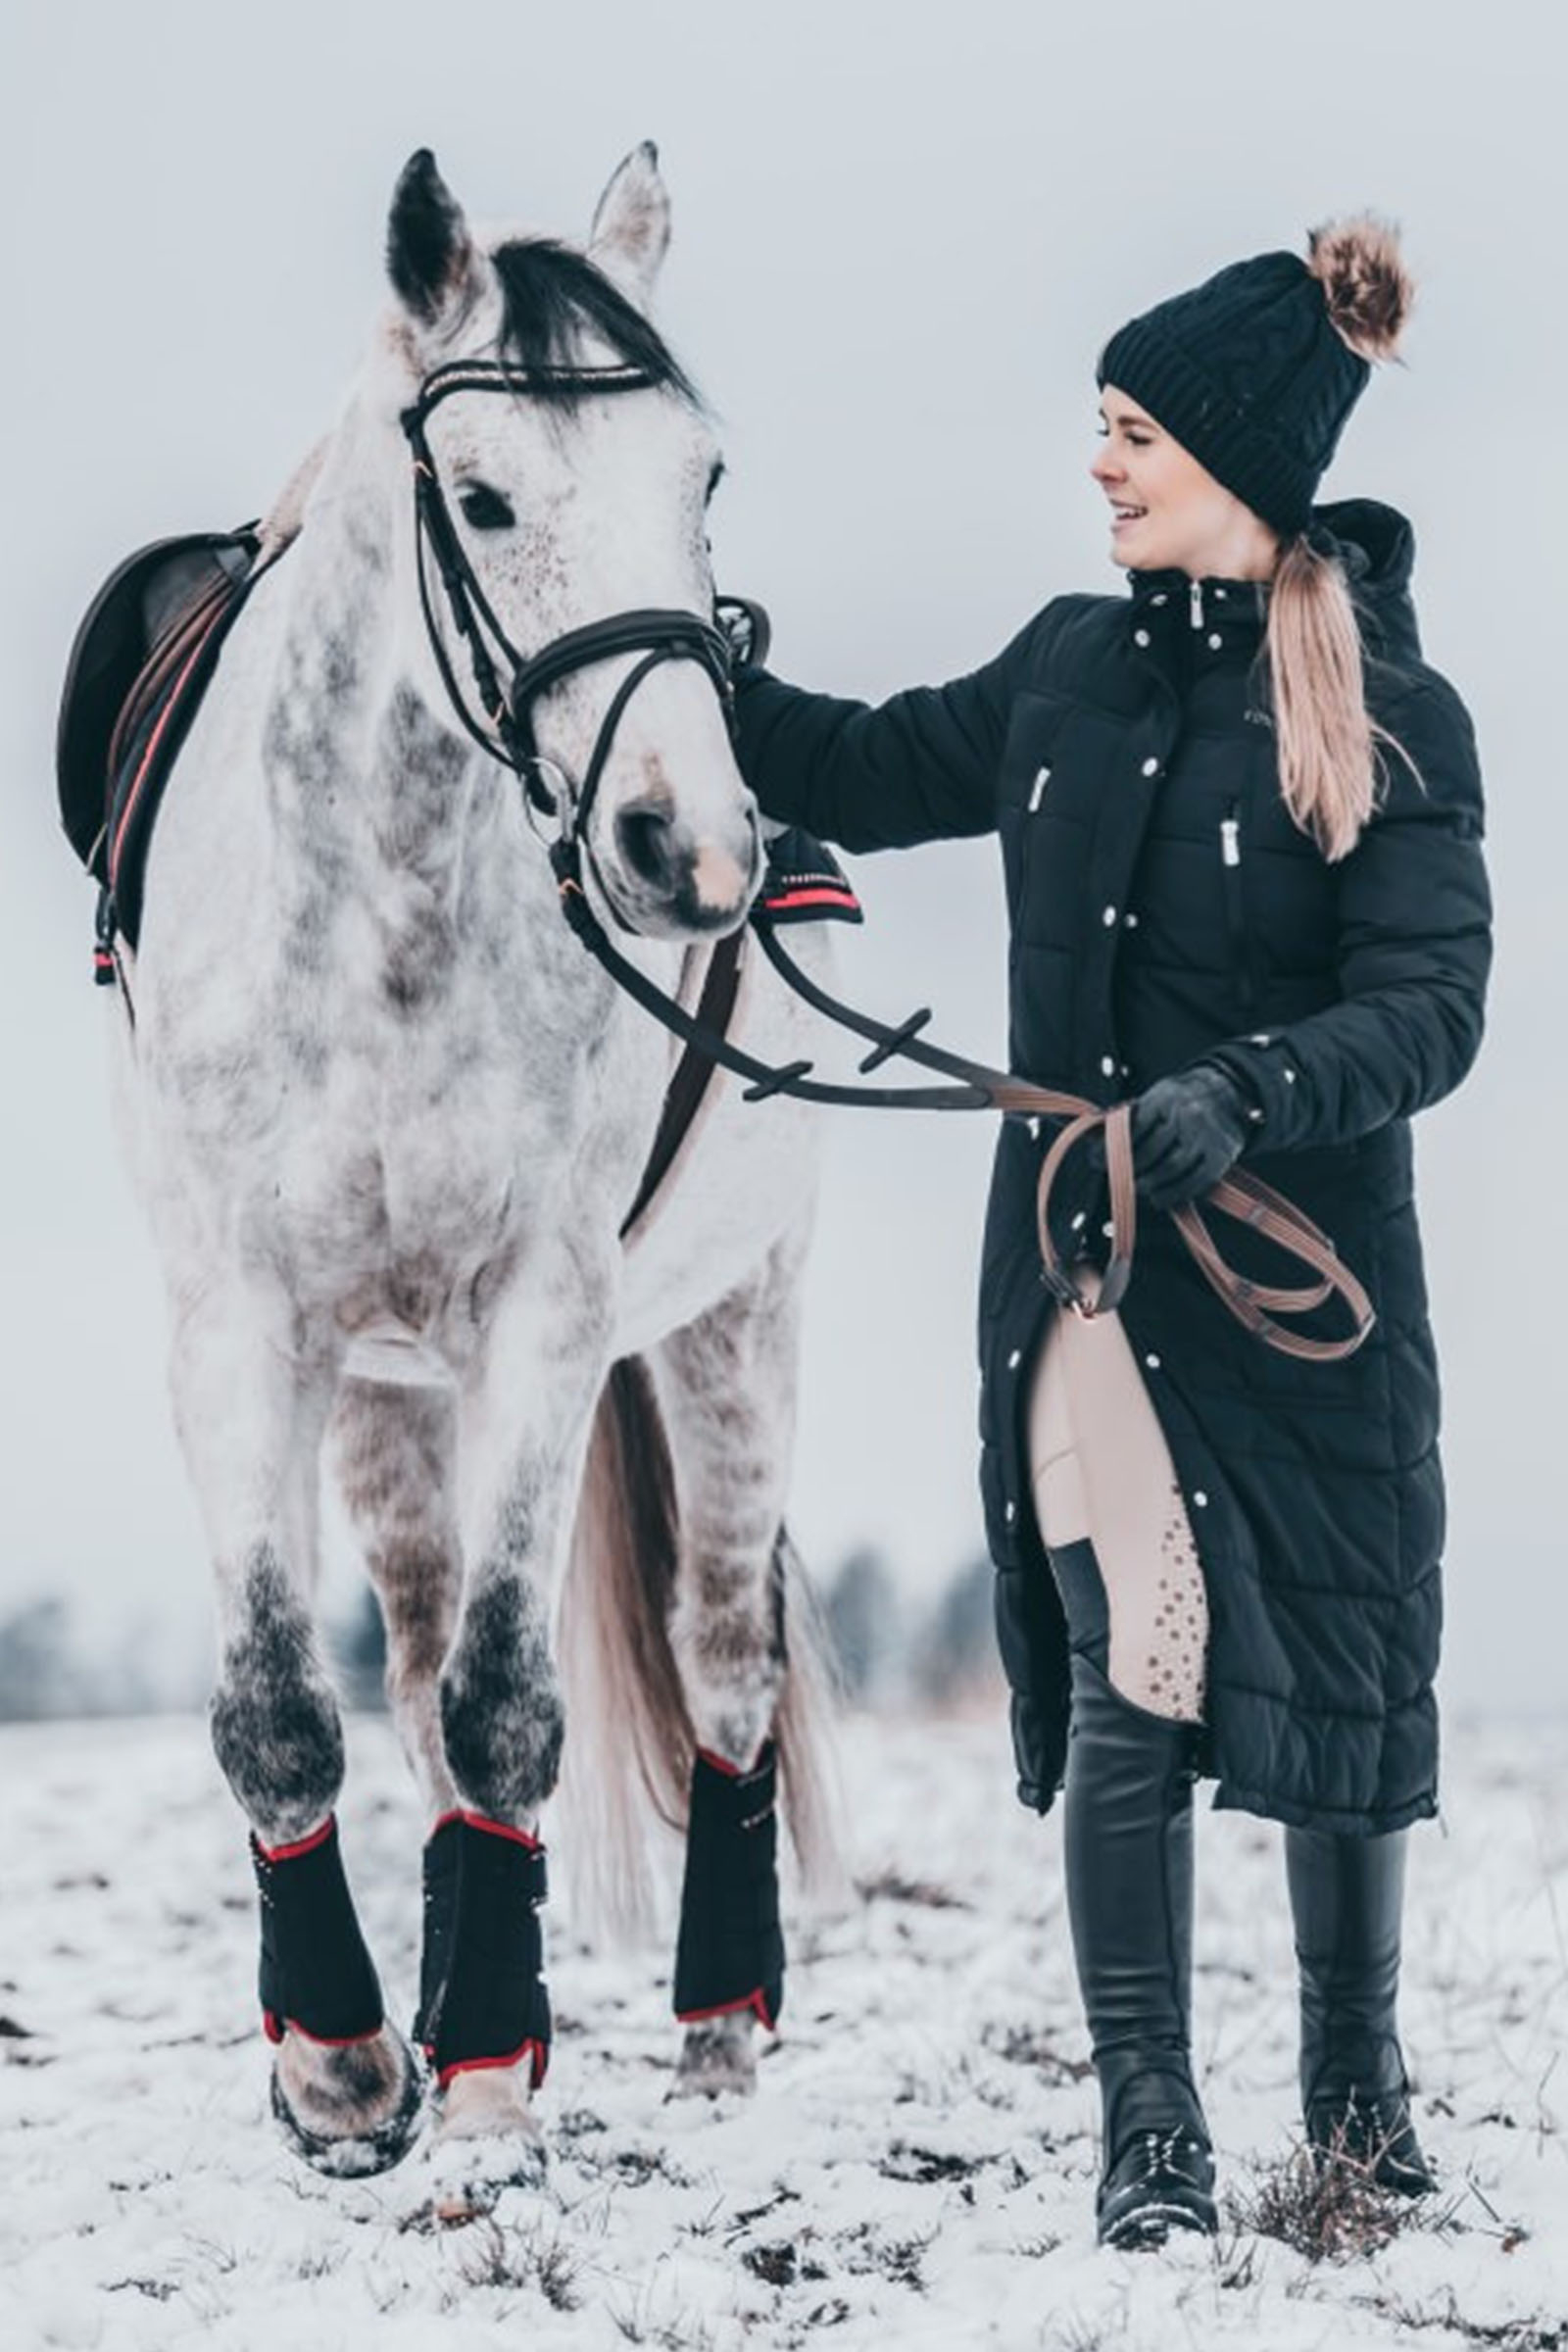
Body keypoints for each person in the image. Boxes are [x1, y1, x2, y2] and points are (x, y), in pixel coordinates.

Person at [730, 218, 1492, 2249]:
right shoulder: (1060, 675)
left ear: (1232, 453)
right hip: (1088, 1275)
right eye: (1097, 430)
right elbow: (849, 760)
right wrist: (693, 663)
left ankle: (1351, 2088)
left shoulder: (1383, 706)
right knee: (1131, 1654)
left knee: (1336, 1696)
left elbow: (1432, 1004)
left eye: (1129, 431)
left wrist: (1249, 1088)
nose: (1096, 465)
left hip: (1303, 1291)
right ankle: (1142, 2120)